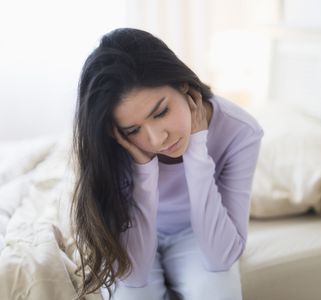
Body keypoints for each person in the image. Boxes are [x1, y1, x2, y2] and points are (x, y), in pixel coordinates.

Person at [71, 28, 263, 300]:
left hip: (196, 233)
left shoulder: (241, 131)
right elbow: (134, 276)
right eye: (133, 130)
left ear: (184, 86)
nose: (156, 139)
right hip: (131, 229)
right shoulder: (110, 143)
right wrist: (144, 171)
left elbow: (222, 257)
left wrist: (197, 150)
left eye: (161, 112)